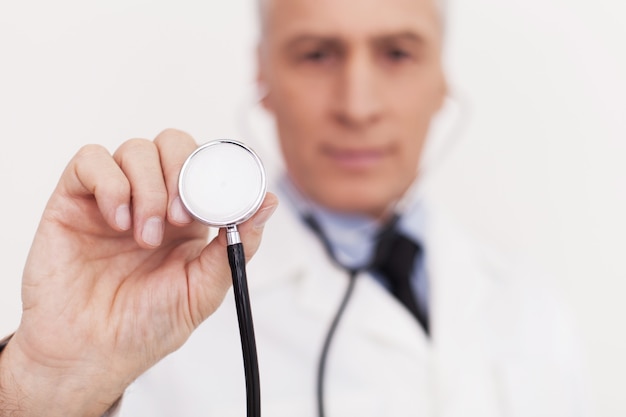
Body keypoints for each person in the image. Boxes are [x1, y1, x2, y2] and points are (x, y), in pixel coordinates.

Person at [0, 0, 587, 416]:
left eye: (398, 53)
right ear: (263, 76)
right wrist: (47, 385)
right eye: (316, 54)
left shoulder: (530, 306)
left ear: (441, 81)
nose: (358, 106)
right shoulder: (152, 317)